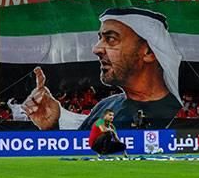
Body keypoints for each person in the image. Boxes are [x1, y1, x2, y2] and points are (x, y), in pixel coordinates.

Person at [23, 7, 182, 130]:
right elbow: (81, 154)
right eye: (100, 39)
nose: (96, 49)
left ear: (148, 52)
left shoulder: (177, 113)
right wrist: (51, 127)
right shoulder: (106, 106)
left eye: (111, 39)